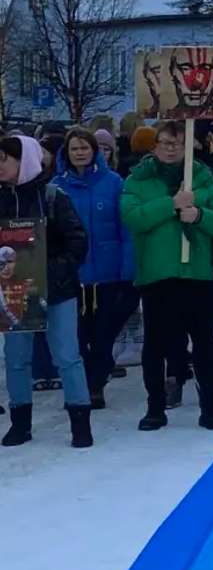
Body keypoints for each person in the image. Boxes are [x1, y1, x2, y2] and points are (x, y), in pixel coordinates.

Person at [120, 120, 213, 431]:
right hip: (158, 274)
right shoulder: (139, 179)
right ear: (155, 146)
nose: (171, 148)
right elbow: (132, 217)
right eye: (165, 142)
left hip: (196, 274)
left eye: (178, 143)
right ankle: (155, 406)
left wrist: (198, 215)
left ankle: (210, 406)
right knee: (156, 344)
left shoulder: (201, 176)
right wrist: (170, 204)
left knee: (205, 344)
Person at [1, 136, 93, 448]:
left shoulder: (53, 196)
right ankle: (20, 423)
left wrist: (49, 271)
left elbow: (78, 242)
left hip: (57, 291)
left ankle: (80, 422)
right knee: (15, 358)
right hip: (14, 291)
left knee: (67, 355)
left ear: (22, 159)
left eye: (4, 159)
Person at [54, 126, 135, 409]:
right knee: (79, 335)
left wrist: (127, 265)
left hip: (108, 272)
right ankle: (83, 384)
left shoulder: (113, 182)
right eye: (74, 149)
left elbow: (126, 228)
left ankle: (96, 384)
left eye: (84, 148)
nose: (79, 153)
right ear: (67, 152)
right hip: (73, 274)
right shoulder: (56, 187)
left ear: (94, 151)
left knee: (103, 334)